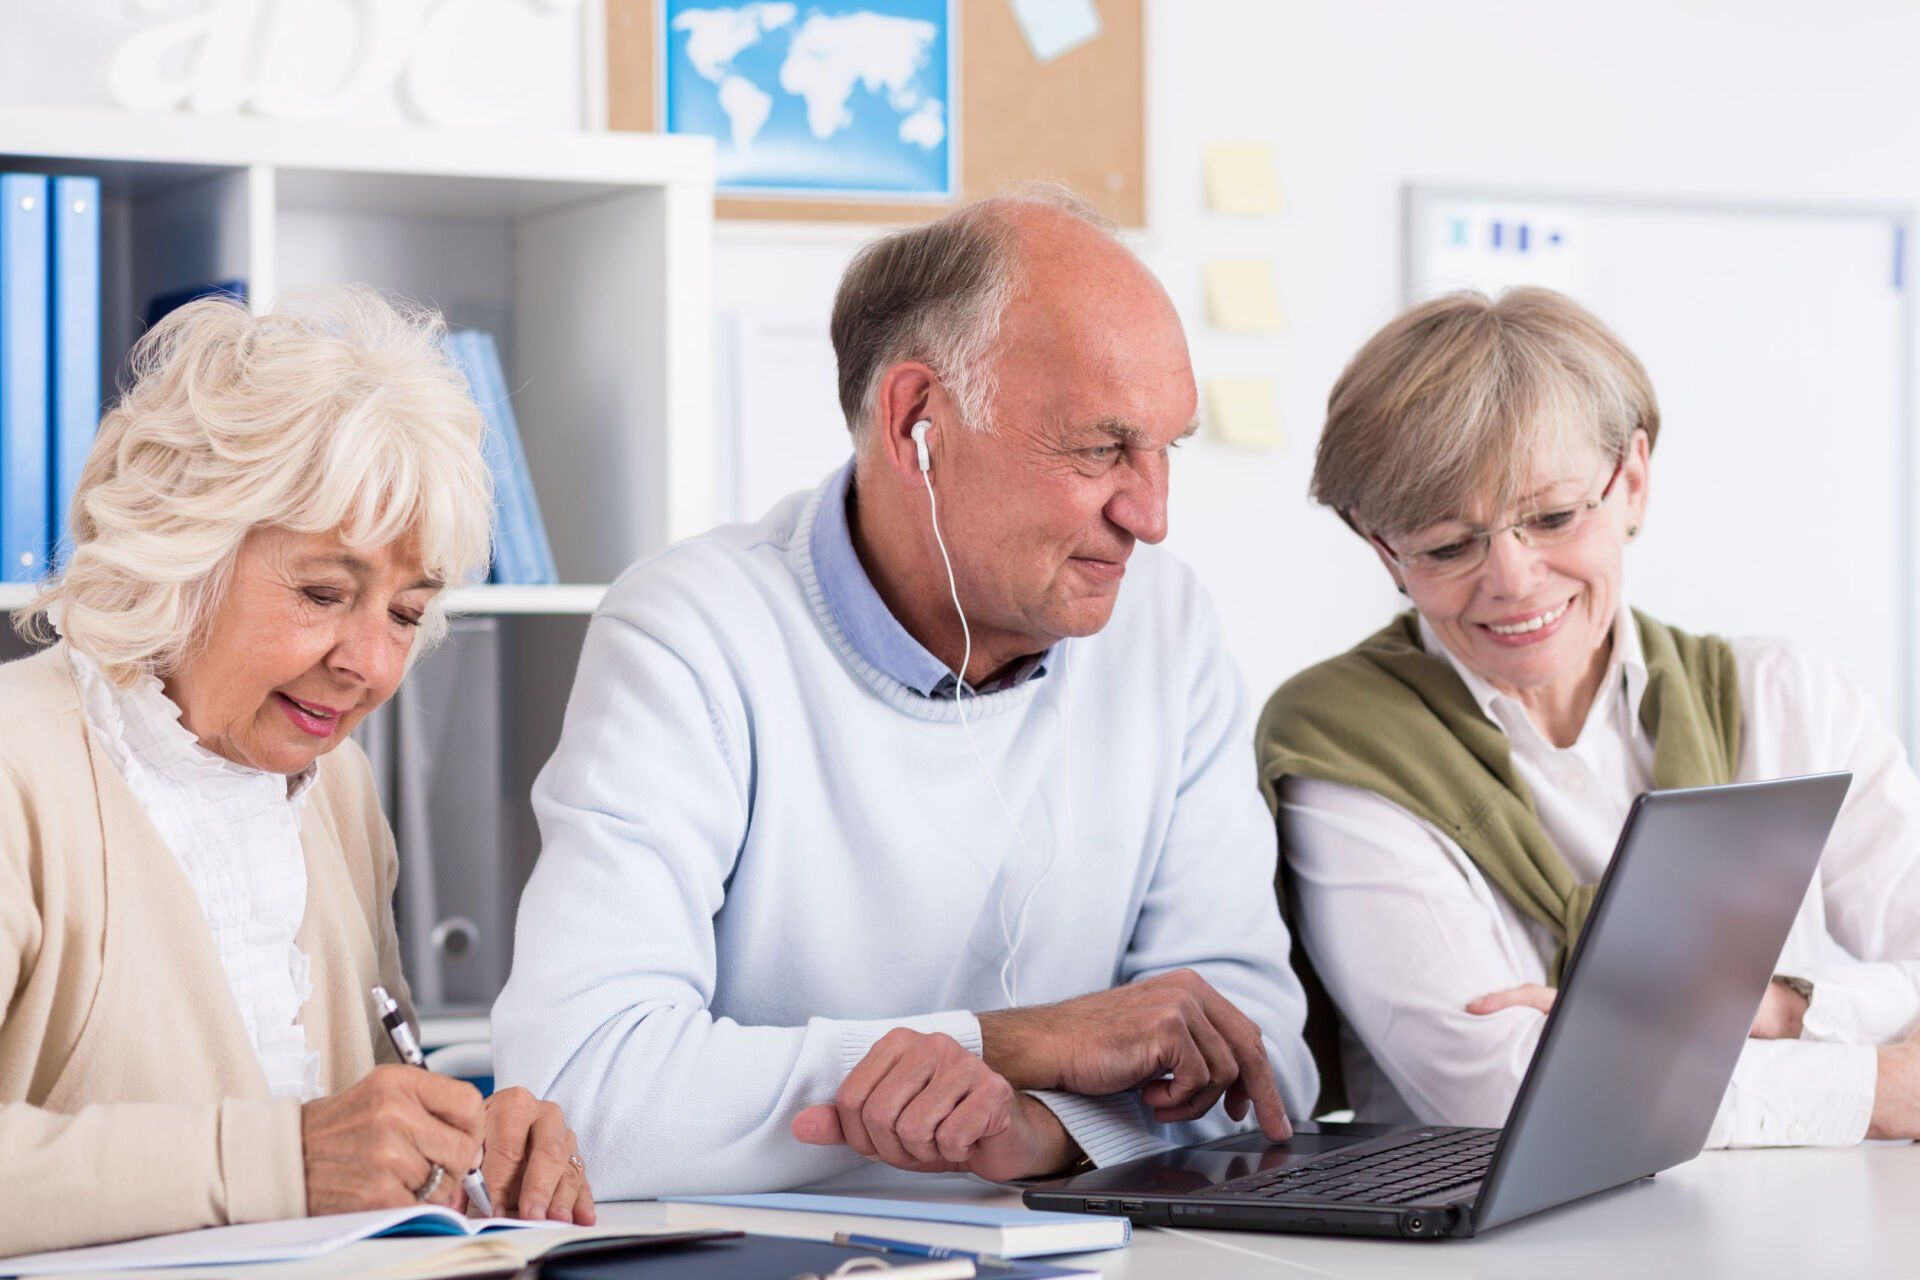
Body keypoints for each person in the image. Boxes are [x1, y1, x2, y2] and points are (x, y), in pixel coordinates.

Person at [492, 187, 1317, 1198]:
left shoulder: (1167, 626)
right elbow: (580, 1096)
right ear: (917, 418)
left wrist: (1046, 1127)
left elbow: (1263, 1056)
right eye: (1102, 448)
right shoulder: (692, 631)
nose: (1150, 515)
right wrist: (1021, 1040)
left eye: (1166, 448)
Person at [0, 288, 594, 1257]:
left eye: (405, 613)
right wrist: (280, 1158)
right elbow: (296, 1162)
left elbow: (346, 1160)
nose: (370, 662)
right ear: (182, 548)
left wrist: (466, 1155)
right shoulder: (19, 764)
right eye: (324, 592)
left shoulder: (340, 791)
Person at [1259, 286, 1920, 1148]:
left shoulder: (1791, 699)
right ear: (1384, 549)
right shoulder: (1340, 741)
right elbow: (1506, 1094)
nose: (1513, 578)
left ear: (1634, 482)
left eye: (1554, 516)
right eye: (1448, 544)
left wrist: (1786, 1007)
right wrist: (1874, 1089)